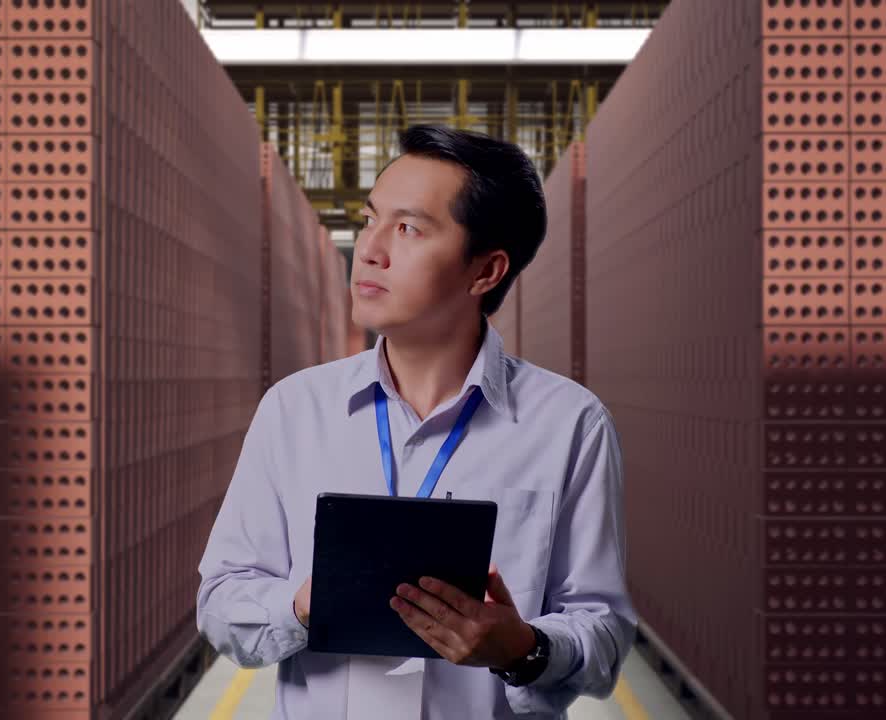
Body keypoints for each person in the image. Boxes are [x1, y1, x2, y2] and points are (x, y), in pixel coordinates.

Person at [195, 124, 636, 719]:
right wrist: (302, 604)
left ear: (485, 271)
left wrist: (523, 650)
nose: (370, 249)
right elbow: (221, 600)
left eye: (407, 228)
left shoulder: (570, 426)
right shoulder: (295, 410)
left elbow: (602, 631)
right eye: (370, 219)